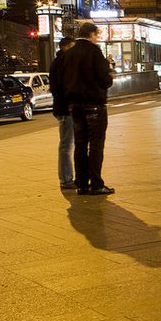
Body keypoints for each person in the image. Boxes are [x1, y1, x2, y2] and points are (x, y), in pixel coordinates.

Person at [59, 20, 115, 195]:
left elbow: (63, 80)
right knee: (96, 144)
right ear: (91, 35)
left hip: (75, 106)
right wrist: (109, 76)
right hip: (94, 104)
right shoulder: (94, 52)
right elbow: (105, 80)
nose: (97, 39)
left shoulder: (69, 54)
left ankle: (82, 183)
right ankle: (96, 183)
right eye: (97, 35)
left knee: (80, 144)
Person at [49, 36, 77, 190]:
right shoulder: (62, 63)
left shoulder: (58, 62)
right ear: (65, 47)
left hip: (63, 108)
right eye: (72, 47)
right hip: (65, 109)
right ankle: (66, 179)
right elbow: (62, 87)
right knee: (66, 144)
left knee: (67, 143)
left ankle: (67, 178)